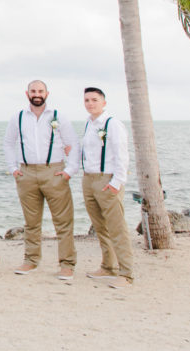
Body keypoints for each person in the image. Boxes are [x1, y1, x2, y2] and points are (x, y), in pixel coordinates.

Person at [3, 79, 80, 279]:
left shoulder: (58, 117)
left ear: (47, 93)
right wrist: (13, 169)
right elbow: (9, 144)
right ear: (27, 93)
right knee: (31, 222)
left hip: (54, 172)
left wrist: (69, 171)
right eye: (33, 91)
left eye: (40, 91)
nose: (37, 94)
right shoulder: (17, 117)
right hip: (26, 173)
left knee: (62, 221)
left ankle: (67, 264)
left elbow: (73, 144)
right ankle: (31, 260)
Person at [79, 87, 135, 289]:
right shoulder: (89, 123)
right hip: (89, 179)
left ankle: (126, 273)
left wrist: (116, 182)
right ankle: (107, 266)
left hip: (107, 180)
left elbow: (122, 155)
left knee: (117, 227)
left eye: (94, 99)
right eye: (87, 100)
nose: (90, 103)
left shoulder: (113, 124)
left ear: (103, 102)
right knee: (100, 227)